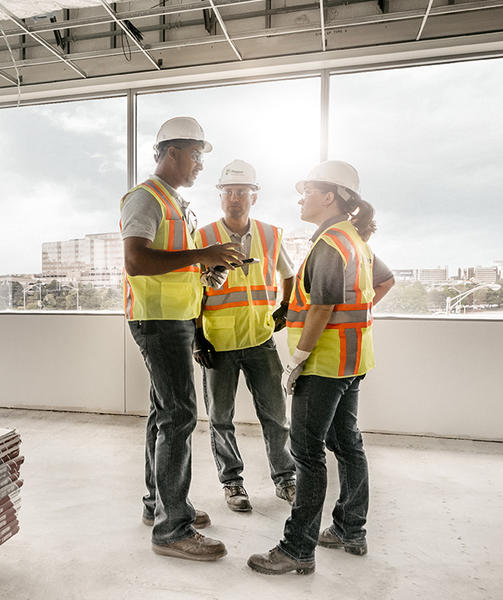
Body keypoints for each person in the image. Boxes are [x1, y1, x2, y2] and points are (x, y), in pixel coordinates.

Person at [247, 160, 395, 575]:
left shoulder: (330, 243)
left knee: (307, 455)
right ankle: (350, 529)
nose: (300, 197)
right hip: (353, 360)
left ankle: (298, 548)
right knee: (347, 443)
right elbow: (384, 282)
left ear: (329, 196)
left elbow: (324, 305)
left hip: (324, 365)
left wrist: (298, 358)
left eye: (307, 190)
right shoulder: (354, 240)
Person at [120, 116, 245, 561]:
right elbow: (137, 260)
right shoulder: (145, 198)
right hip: (158, 321)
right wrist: (202, 253)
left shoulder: (176, 202)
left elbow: (173, 261)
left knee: (164, 413)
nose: (198, 166)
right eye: (195, 155)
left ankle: (161, 504)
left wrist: (206, 268)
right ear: (171, 152)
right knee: (179, 417)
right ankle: (174, 529)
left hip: (174, 317)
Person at [192, 159, 297, 512]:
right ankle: (232, 483)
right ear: (220, 196)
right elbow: (192, 288)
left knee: (276, 416)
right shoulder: (203, 237)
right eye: (228, 192)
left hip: (260, 339)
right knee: (220, 418)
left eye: (241, 192)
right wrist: (196, 336)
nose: (234, 198)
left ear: (255, 196)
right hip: (217, 343)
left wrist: (284, 307)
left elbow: (289, 273)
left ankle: (285, 479)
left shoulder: (270, 235)